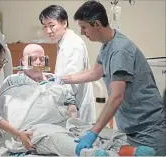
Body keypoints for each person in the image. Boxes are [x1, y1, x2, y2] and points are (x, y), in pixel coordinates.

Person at [50, 1, 166, 156]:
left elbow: (117, 96)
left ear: (97, 24)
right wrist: (60, 79)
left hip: (148, 128)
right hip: (131, 128)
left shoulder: (119, 50)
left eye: (84, 27)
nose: (82, 32)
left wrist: (93, 132)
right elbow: (94, 73)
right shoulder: (107, 45)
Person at [0, 44, 155, 157]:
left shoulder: (54, 80)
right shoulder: (13, 81)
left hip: (63, 123)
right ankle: (92, 154)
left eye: (41, 59)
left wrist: (73, 116)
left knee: (100, 131)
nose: (38, 62)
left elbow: (70, 104)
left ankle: (124, 149)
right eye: (33, 59)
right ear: (23, 61)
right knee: (58, 138)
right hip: (34, 128)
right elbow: (5, 107)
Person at [39, 5, 96, 124]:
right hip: (67, 106)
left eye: (52, 25)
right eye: (45, 26)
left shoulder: (73, 44)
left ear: (64, 23)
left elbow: (71, 81)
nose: (48, 31)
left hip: (75, 108)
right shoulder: (63, 43)